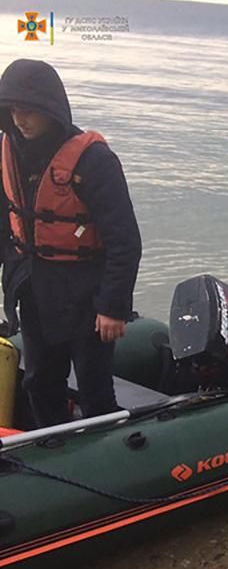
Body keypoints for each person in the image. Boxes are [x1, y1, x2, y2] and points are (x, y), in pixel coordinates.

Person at [0, 59, 141, 427]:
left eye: (29, 111)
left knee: (94, 389)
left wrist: (113, 306)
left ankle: (106, 455)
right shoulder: (8, 152)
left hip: (85, 294)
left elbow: (125, 240)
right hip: (32, 287)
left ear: (51, 109)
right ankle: (52, 443)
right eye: (14, 110)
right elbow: (5, 221)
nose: (20, 120)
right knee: (39, 380)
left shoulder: (94, 162)